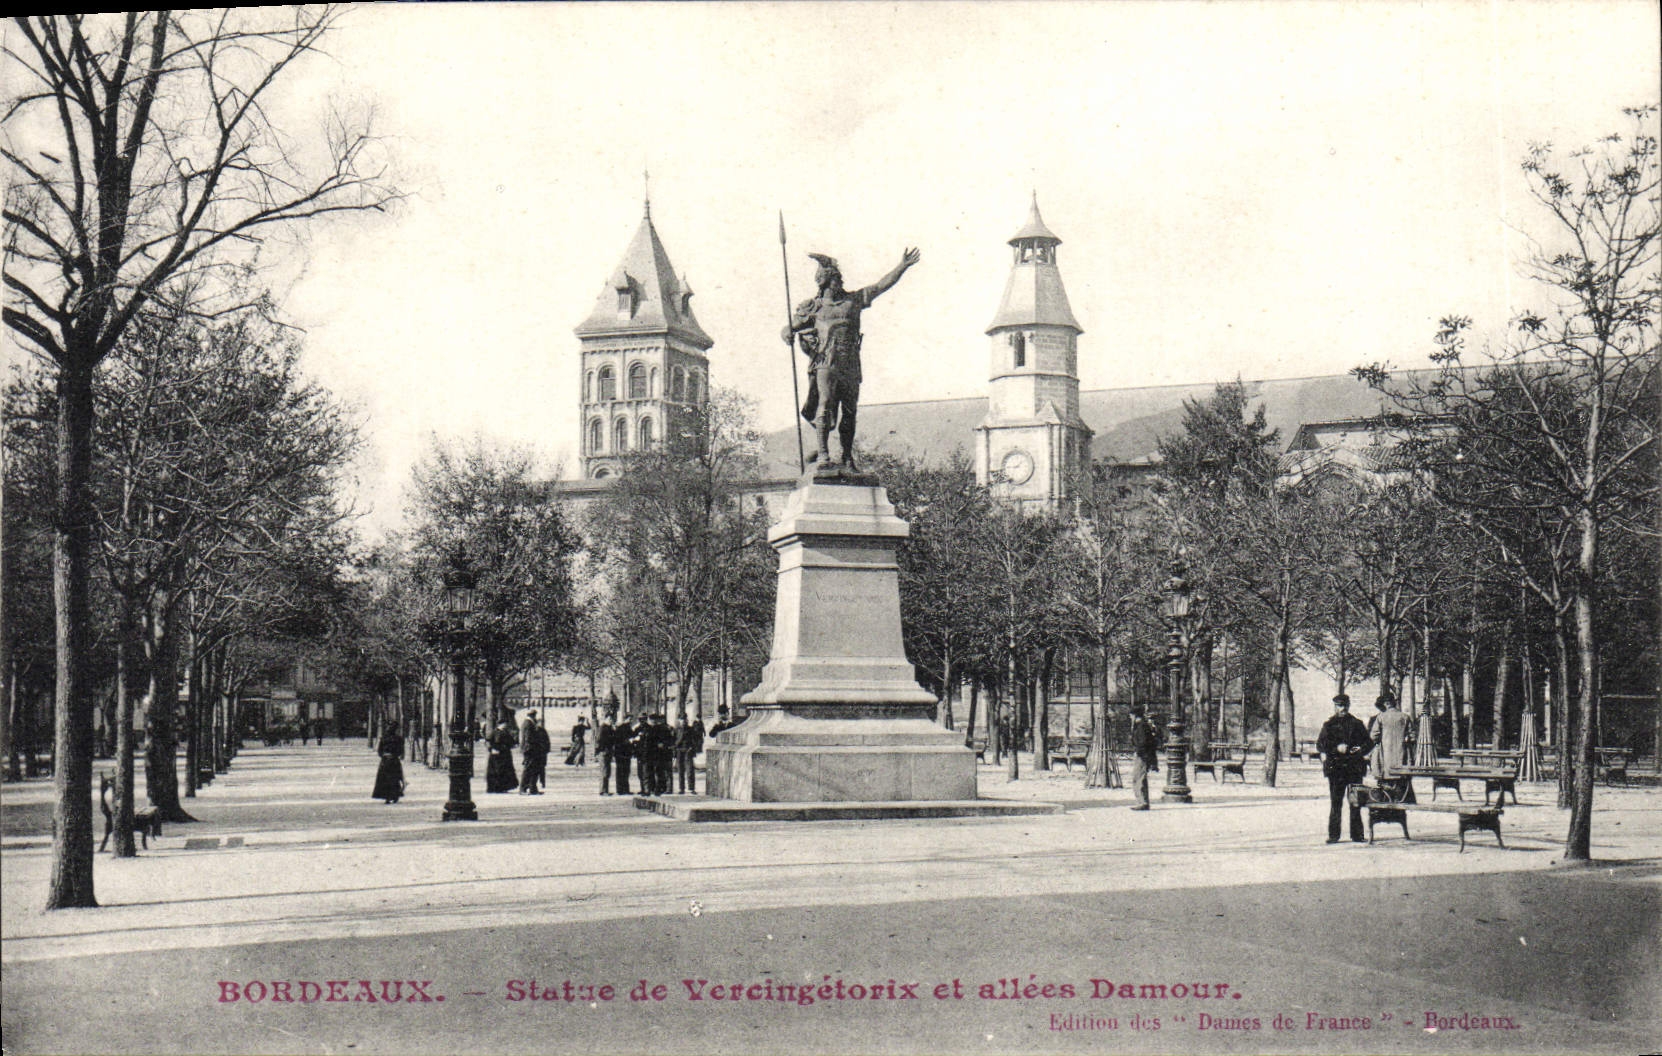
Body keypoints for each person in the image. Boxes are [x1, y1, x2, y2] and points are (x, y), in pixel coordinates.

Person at [783, 248, 920, 468]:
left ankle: (847, 457)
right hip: (826, 361)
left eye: (834, 278)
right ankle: (823, 455)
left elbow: (880, 286)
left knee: (850, 410)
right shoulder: (814, 307)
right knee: (825, 402)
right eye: (829, 279)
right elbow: (789, 327)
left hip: (850, 363)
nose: (833, 283)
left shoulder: (853, 300)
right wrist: (788, 332)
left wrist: (902, 266)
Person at [1317, 694, 1372, 843]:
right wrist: (1336, 748)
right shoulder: (1328, 725)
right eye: (1339, 706)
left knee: (1355, 802)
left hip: (1354, 768)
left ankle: (1357, 835)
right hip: (1336, 769)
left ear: (1349, 705)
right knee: (1336, 802)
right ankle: (1334, 835)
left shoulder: (1357, 724)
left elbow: (1368, 743)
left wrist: (1359, 749)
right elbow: (1320, 745)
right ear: (1335, 707)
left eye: (1345, 705)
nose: (1343, 709)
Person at [1370, 693, 1415, 802]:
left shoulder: (1381, 717)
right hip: (1401, 756)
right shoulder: (1405, 717)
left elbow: (1373, 736)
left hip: (1385, 758)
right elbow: (1413, 736)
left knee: (1385, 785)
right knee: (1401, 784)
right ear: (1394, 702)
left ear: (1385, 704)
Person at [1128, 703, 1159, 810]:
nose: (1130, 717)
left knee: (1139, 778)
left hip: (1142, 756)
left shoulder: (1141, 726)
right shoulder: (1141, 726)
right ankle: (1142, 801)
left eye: (1131, 715)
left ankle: (1142, 802)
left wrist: (1139, 752)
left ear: (1136, 715)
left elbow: (1143, 743)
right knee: (1138, 777)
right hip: (1142, 755)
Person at [372, 725, 405, 804]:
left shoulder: (383, 738)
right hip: (394, 760)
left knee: (385, 779)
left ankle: (386, 796)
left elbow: (379, 751)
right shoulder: (399, 739)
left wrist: (384, 755)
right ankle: (395, 795)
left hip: (385, 761)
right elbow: (401, 751)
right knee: (395, 778)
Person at [673, 710, 705, 795]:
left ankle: (691, 788)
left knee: (690, 770)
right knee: (680, 770)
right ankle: (681, 788)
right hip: (679, 751)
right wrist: (675, 749)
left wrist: (692, 748)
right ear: (679, 720)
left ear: (686, 720)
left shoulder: (691, 729)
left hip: (688, 751)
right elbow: (673, 741)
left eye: (684, 719)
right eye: (681, 719)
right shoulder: (676, 730)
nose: (683, 721)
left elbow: (695, 740)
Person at [518, 710, 549, 795]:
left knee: (533, 769)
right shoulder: (528, 724)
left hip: (531, 750)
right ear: (533, 716)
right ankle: (523, 789)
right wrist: (533, 747)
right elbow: (528, 738)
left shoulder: (527, 723)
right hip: (530, 751)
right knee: (528, 769)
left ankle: (532, 788)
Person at [484, 718, 519, 793]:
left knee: (505, 771)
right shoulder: (494, 732)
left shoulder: (505, 732)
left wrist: (513, 744)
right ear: (500, 724)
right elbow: (488, 742)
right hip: (496, 755)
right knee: (496, 771)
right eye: (504, 724)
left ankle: (503, 787)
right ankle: (495, 787)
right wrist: (491, 749)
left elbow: (511, 741)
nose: (506, 725)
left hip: (505, 755)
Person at [611, 713, 634, 796]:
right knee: (623, 771)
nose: (631, 721)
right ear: (626, 719)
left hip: (622, 753)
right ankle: (623, 789)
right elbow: (620, 741)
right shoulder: (623, 728)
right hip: (623, 753)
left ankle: (622, 789)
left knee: (623, 771)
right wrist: (630, 741)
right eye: (630, 719)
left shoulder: (622, 728)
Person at [596, 714, 618, 795]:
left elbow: (614, 739)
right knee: (604, 772)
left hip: (608, 752)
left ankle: (605, 790)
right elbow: (598, 740)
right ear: (605, 719)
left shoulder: (610, 728)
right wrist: (600, 751)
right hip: (604, 752)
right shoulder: (602, 728)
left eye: (612, 719)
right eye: (610, 719)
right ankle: (603, 790)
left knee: (607, 772)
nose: (611, 721)